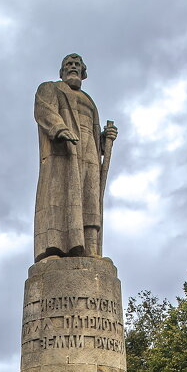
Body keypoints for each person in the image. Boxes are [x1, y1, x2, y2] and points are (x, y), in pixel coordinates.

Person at [33, 53, 118, 262]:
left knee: (90, 199)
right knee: (59, 197)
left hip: (89, 151)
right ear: (61, 71)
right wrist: (59, 128)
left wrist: (104, 139)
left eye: (77, 65)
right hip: (64, 152)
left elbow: (90, 129)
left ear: (83, 71)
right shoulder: (50, 88)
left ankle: (90, 248)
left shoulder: (89, 100)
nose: (73, 67)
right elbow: (44, 110)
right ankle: (55, 249)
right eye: (68, 64)